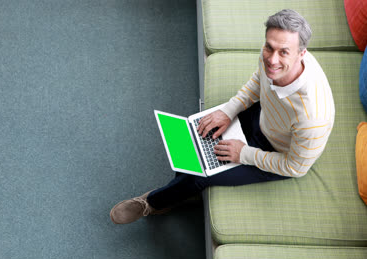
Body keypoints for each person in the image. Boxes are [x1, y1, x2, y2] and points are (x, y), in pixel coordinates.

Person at [110, 9, 335, 224]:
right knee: (199, 129)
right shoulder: (272, 56)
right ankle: (182, 189)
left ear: (301, 53)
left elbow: (296, 168)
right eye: (269, 47)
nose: (272, 59)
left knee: (200, 176)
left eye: (283, 52)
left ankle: (152, 203)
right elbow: (259, 81)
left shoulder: (312, 117)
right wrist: (229, 110)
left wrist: (244, 154)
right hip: (264, 118)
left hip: (277, 152)